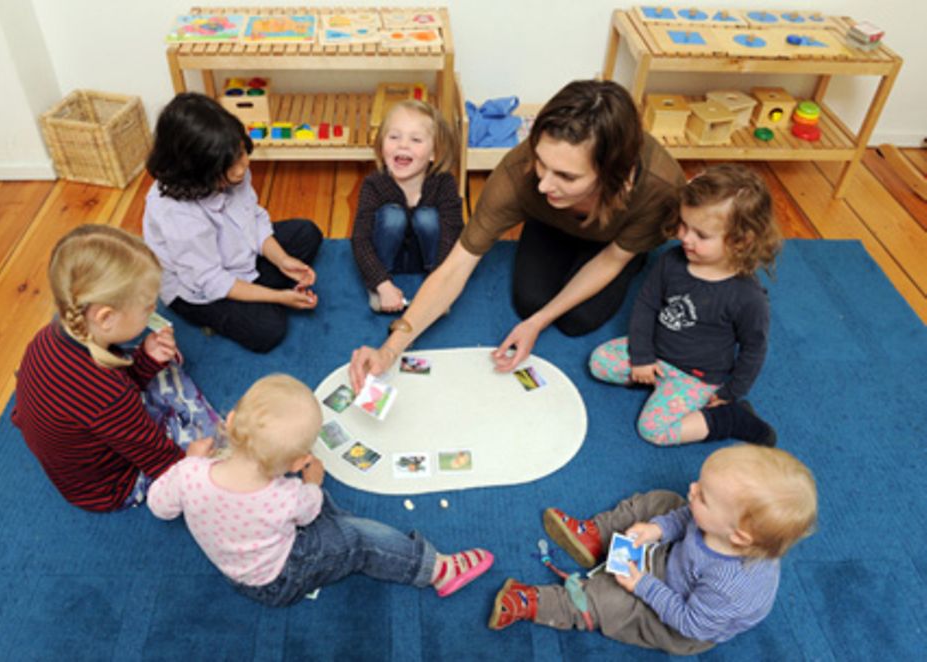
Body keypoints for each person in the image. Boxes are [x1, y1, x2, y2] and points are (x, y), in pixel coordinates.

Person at [348, 79, 685, 391]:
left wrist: (539, 323)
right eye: (540, 161)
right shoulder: (517, 175)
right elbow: (455, 266)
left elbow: (613, 258)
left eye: (566, 176)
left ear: (615, 175)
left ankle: (633, 252)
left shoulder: (661, 188)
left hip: (614, 244)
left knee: (577, 320)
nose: (542, 184)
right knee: (529, 302)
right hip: (552, 223)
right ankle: (553, 225)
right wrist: (390, 350)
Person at [146, 374, 494, 606]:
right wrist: (312, 483)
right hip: (279, 579)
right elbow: (310, 509)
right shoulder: (286, 495)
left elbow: (160, 506)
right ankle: (434, 569)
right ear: (299, 462)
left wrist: (188, 461)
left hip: (235, 570)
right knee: (356, 538)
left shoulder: (189, 473)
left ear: (232, 420)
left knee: (334, 525)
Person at [488, 444, 817, 655]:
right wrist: (658, 529)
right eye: (700, 484)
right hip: (680, 561)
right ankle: (593, 536)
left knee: (612, 602)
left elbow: (689, 623)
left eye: (703, 495)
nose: (692, 488)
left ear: (740, 537)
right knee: (665, 500)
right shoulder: (719, 525)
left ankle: (541, 603)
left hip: (679, 616)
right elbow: (686, 515)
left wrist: (643, 585)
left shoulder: (730, 586)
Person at [13, 225, 214, 512]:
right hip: (112, 486)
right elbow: (161, 462)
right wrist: (191, 461)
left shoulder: (50, 335)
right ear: (105, 318)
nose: (152, 312)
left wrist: (144, 359)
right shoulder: (110, 393)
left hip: (80, 451)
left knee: (156, 368)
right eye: (147, 307)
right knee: (210, 449)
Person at [590, 164, 782, 446]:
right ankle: (657, 384)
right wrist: (643, 356)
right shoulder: (672, 260)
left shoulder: (748, 297)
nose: (684, 238)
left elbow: (754, 348)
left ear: (741, 241)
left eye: (701, 235)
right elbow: (646, 305)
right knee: (599, 362)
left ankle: (731, 418)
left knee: (653, 430)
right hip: (656, 355)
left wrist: (731, 393)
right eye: (683, 225)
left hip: (696, 377)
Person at [143, 92, 323, 354]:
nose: (244, 165)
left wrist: (282, 259)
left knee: (307, 233)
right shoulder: (177, 214)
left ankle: (258, 293)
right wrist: (279, 297)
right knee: (268, 330)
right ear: (198, 171)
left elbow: (253, 217)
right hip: (198, 290)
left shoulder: (230, 168)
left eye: (241, 153)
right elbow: (212, 280)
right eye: (233, 163)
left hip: (237, 255)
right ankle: (254, 301)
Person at [351, 99, 463, 313]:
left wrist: (440, 283)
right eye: (394, 137)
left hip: (427, 260)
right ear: (382, 145)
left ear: (433, 154)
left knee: (427, 217)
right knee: (393, 216)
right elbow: (360, 240)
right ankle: (378, 288)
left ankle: (438, 286)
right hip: (386, 260)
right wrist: (381, 284)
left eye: (416, 140)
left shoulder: (444, 183)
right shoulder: (374, 184)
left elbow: (452, 234)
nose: (403, 145)